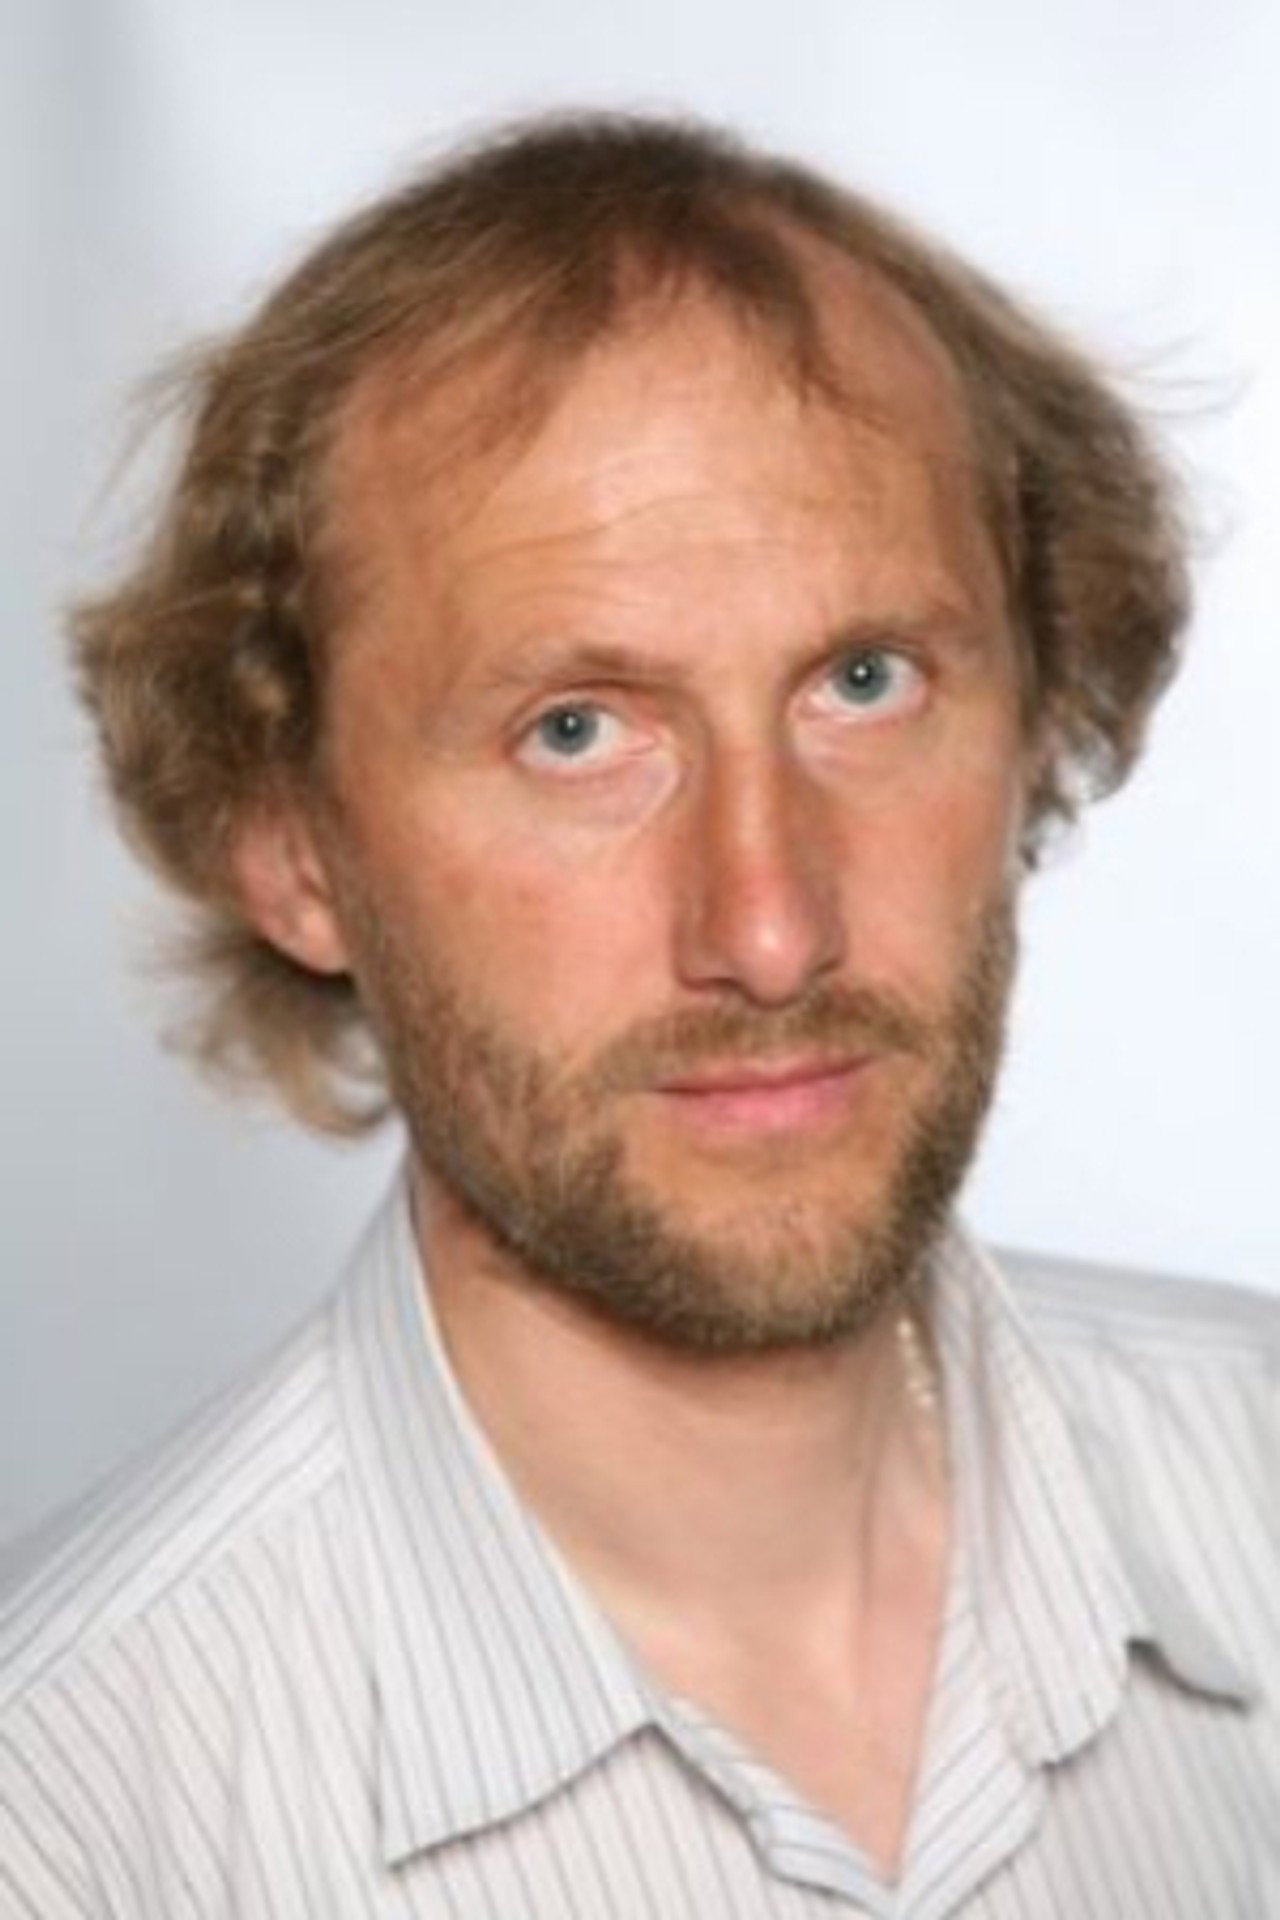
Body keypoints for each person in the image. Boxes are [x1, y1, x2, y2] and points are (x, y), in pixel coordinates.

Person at [2, 113, 1276, 1918]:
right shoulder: (64, 1822)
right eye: (577, 731)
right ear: (290, 846)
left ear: (1036, 710)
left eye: (864, 681)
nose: (769, 929)